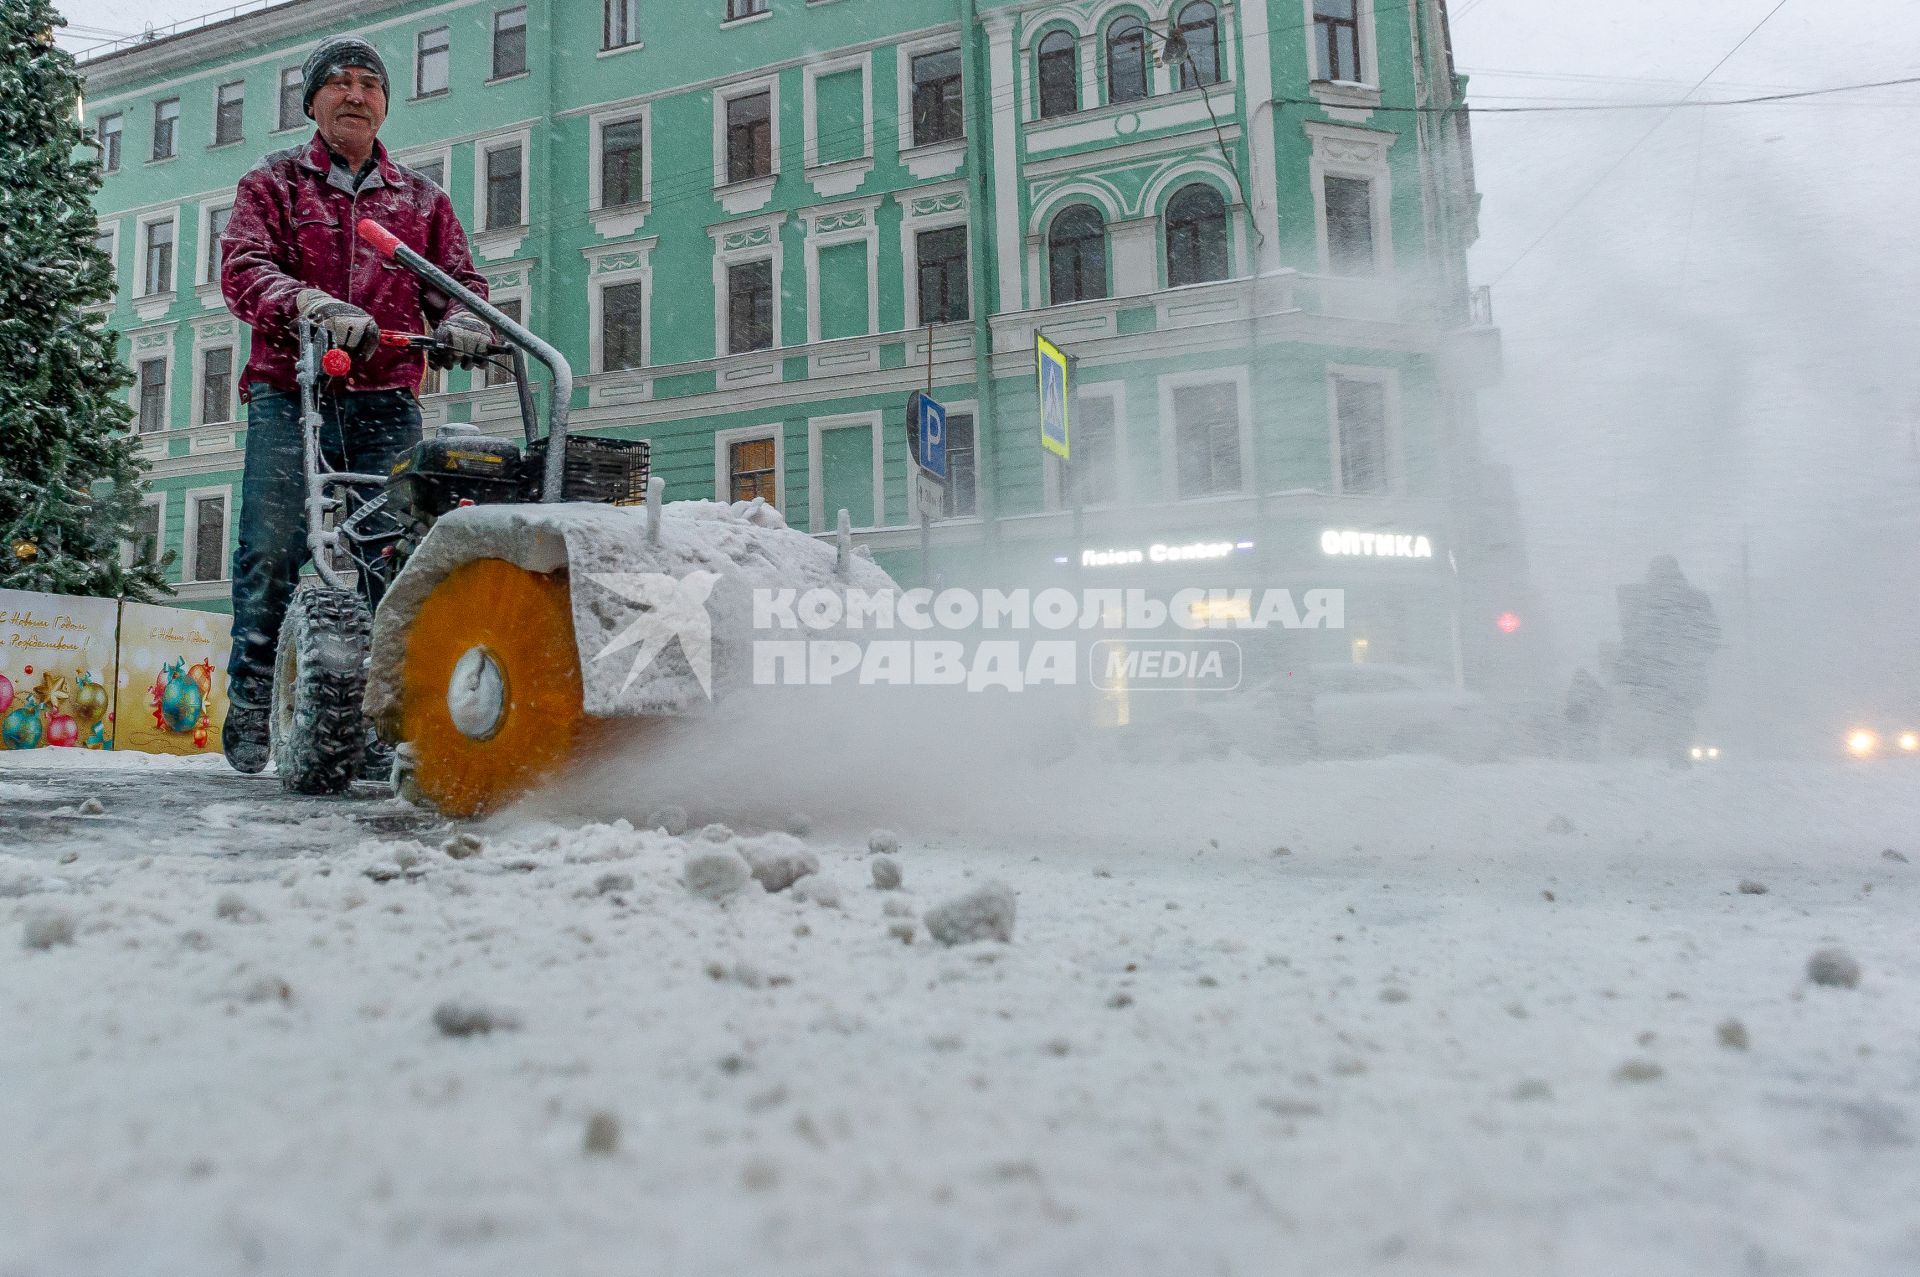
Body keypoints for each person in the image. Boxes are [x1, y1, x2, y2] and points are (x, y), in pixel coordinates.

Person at [217, 36, 493, 773]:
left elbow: (458, 282)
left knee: (394, 555)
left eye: (369, 83)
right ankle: (253, 700)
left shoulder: (422, 200)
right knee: (271, 544)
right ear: (312, 102)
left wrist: (463, 321)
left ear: (384, 103)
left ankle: (380, 713)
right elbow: (243, 268)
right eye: (337, 84)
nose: (354, 94)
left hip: (384, 399)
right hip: (290, 389)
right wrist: (306, 300)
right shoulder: (273, 185)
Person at [1613, 555, 1721, 765]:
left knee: (1652, 718)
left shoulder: (1641, 601)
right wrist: (1693, 656)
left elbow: (1631, 638)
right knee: (1679, 717)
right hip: (1685, 675)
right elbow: (1712, 635)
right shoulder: (1696, 600)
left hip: (1650, 677)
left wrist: (1629, 669)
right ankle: (1676, 756)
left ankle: (1647, 763)